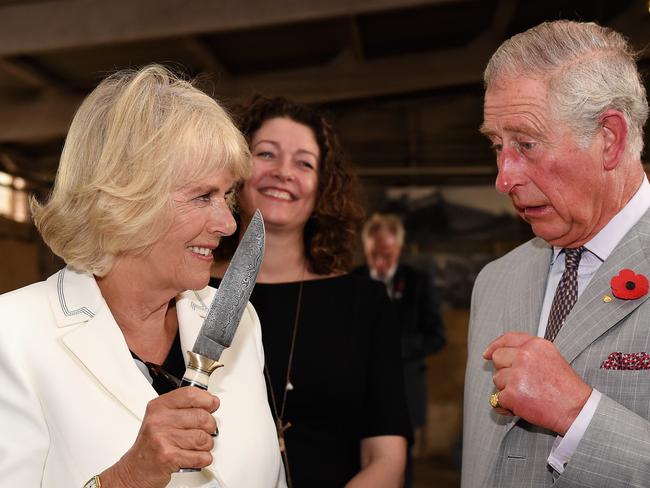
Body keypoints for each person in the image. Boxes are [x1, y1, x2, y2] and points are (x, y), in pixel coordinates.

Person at [0, 65, 286, 488]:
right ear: (129, 199)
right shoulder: (13, 335)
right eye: (202, 196)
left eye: (225, 196)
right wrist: (127, 477)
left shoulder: (237, 318)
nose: (228, 224)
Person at [462, 20, 650, 488]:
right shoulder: (496, 280)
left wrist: (576, 413)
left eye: (526, 144)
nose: (504, 179)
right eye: (497, 146)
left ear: (610, 139)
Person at [211, 95, 410, 488]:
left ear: (322, 189)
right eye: (266, 154)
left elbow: (387, 457)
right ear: (235, 171)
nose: (284, 172)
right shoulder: (190, 291)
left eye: (304, 162)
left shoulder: (363, 302)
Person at [354, 213, 446, 487]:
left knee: (398, 461)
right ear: (365, 248)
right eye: (374, 255)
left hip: (405, 387)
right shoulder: (352, 279)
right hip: (358, 388)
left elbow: (436, 337)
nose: (381, 262)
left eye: (387, 254)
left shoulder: (418, 282)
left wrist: (392, 347)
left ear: (399, 248)